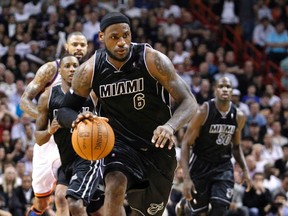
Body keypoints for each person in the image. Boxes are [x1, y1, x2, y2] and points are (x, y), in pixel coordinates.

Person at [57, 12, 197, 216]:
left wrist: (170, 126)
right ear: (102, 37)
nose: (122, 42)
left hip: (157, 146)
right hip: (120, 144)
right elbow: (63, 110)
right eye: (114, 37)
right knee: (114, 184)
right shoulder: (90, 70)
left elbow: (189, 101)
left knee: (146, 212)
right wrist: (76, 120)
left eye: (126, 35)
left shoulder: (152, 60)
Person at [19, 32, 88, 216]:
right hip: (49, 139)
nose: (79, 48)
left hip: (74, 142)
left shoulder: (90, 72)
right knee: (41, 202)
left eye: (83, 44)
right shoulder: (52, 69)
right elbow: (24, 101)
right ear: (66, 47)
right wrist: (46, 117)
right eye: (75, 44)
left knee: (64, 196)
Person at [34, 54, 103, 216]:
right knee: (60, 197)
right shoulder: (47, 97)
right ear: (60, 71)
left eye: (75, 65)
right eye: (67, 66)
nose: (72, 69)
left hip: (89, 157)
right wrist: (49, 131)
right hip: (67, 159)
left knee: (76, 205)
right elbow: (38, 138)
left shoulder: (92, 93)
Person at [180, 77, 252, 215]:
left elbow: (236, 147)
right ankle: (184, 205)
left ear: (232, 91)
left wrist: (245, 169)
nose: (225, 89)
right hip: (201, 164)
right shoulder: (203, 112)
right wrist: (187, 178)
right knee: (198, 212)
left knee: (220, 207)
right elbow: (186, 143)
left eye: (228, 86)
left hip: (223, 166)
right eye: (221, 86)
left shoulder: (239, 116)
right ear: (215, 90)